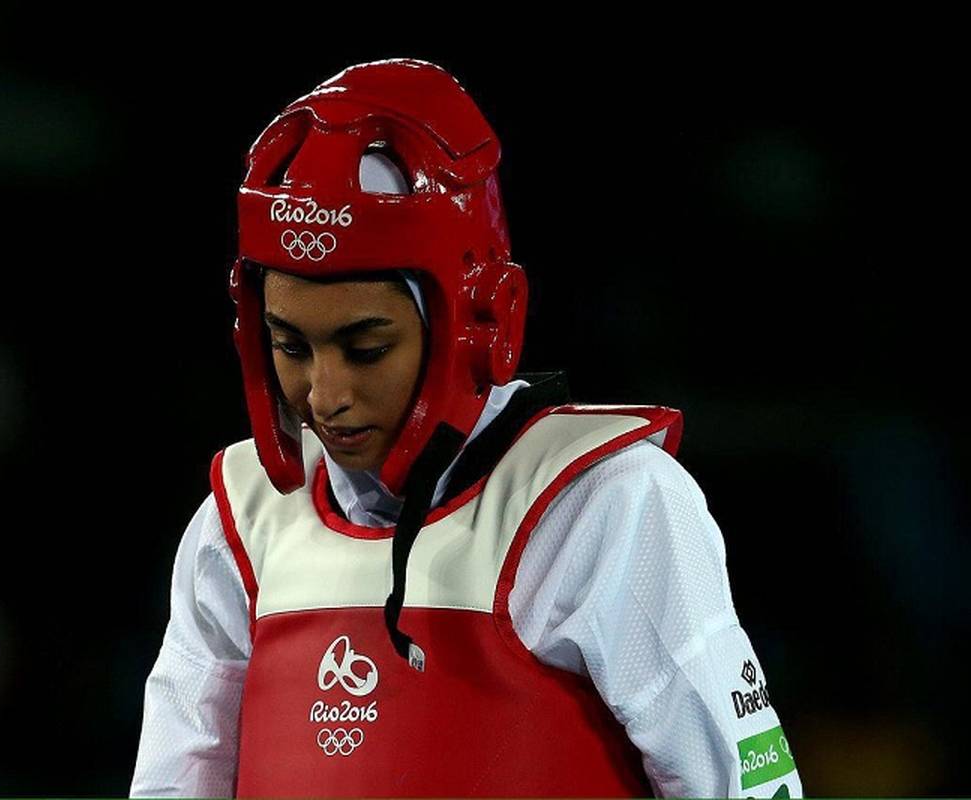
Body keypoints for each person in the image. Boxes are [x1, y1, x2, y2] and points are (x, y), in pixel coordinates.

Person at [130, 58, 803, 798]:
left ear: (479, 324)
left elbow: (743, 786)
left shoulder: (606, 506)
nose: (325, 396)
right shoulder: (240, 525)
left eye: (367, 349)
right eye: (290, 346)